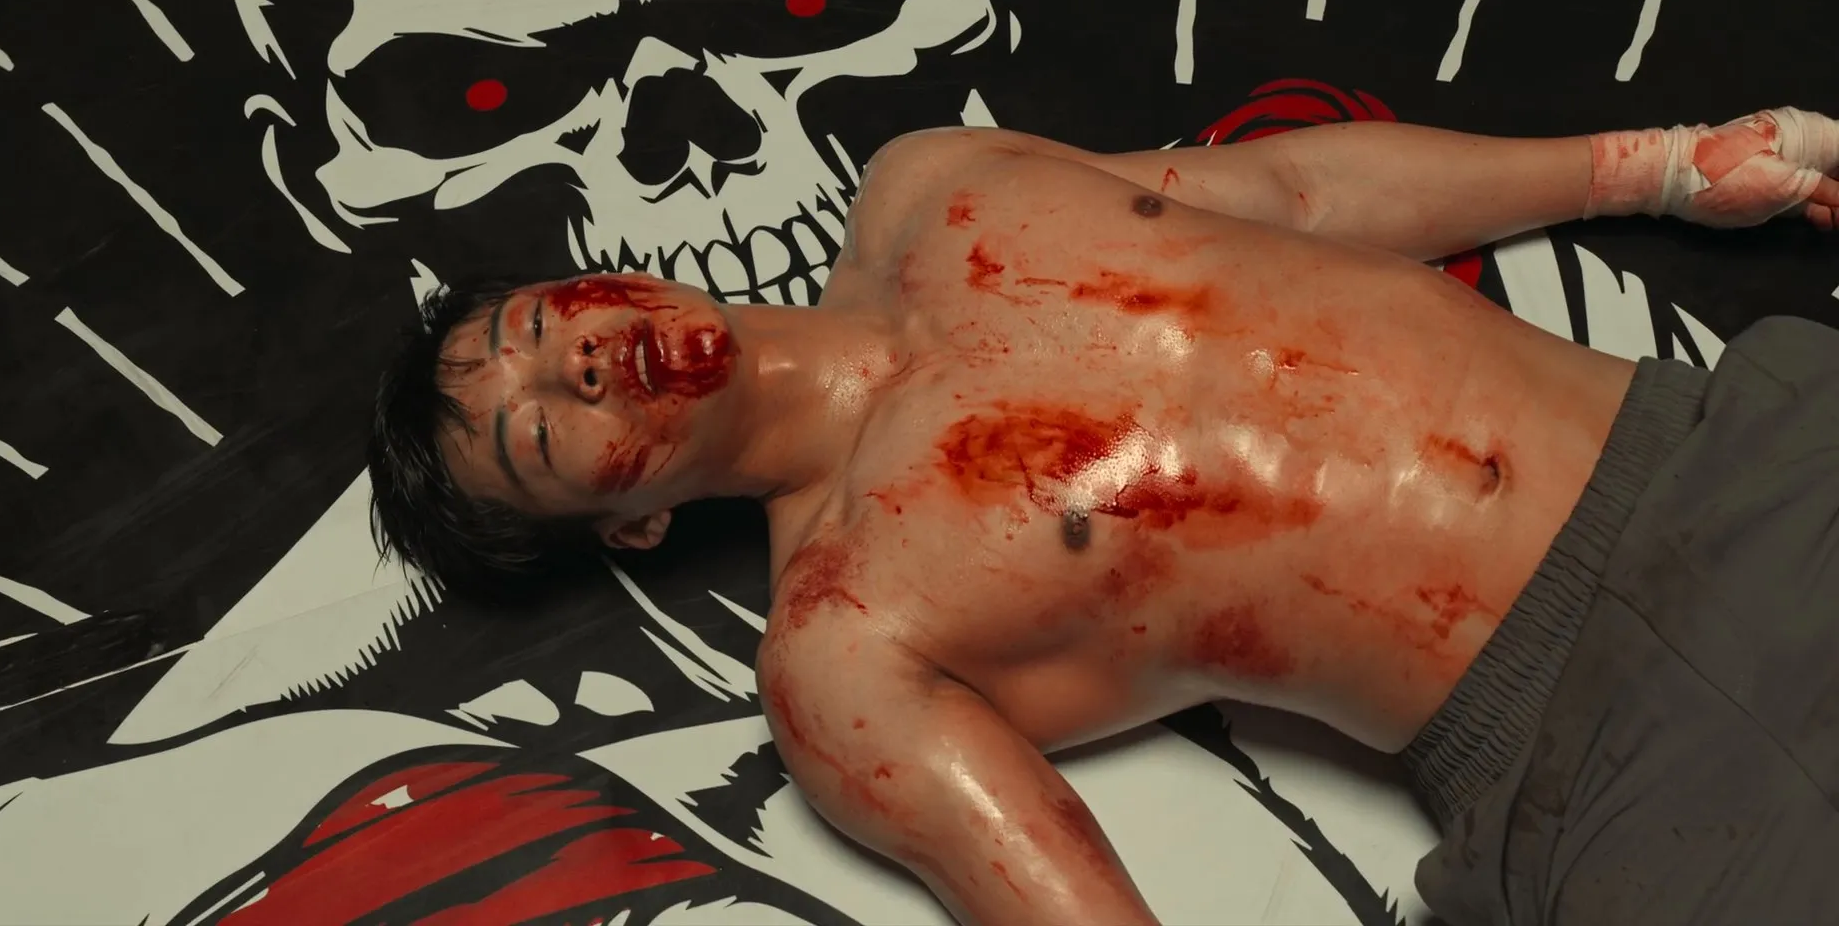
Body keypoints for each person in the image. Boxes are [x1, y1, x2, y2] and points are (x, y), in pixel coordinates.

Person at [367, 107, 1839, 925]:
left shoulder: (929, 187)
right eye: (543, 435)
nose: (573, 362)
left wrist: (1648, 167)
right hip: (1593, 766)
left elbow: (1291, 189)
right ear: (625, 528)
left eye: (540, 325)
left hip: (1738, 458)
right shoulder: (841, 645)